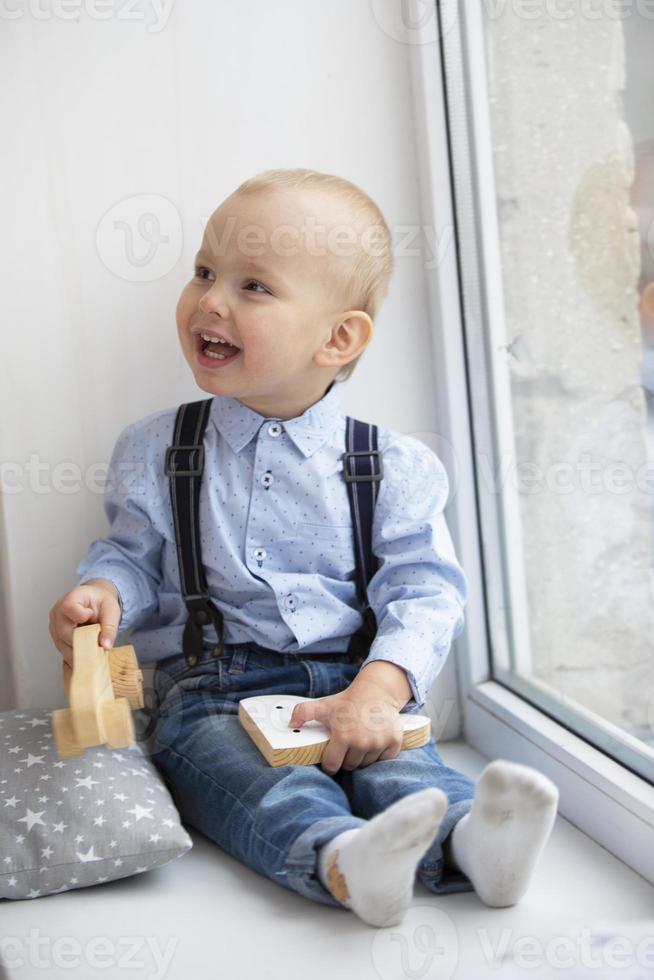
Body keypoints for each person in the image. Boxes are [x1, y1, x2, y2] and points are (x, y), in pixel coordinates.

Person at [49, 168, 559, 928]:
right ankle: (343, 860)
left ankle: (471, 844)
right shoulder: (157, 448)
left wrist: (380, 691)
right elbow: (134, 556)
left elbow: (425, 592)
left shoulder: (393, 466)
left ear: (339, 338)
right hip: (211, 693)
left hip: (356, 683)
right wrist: (104, 594)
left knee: (405, 770)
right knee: (249, 781)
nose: (210, 300)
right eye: (204, 271)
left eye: (253, 285)